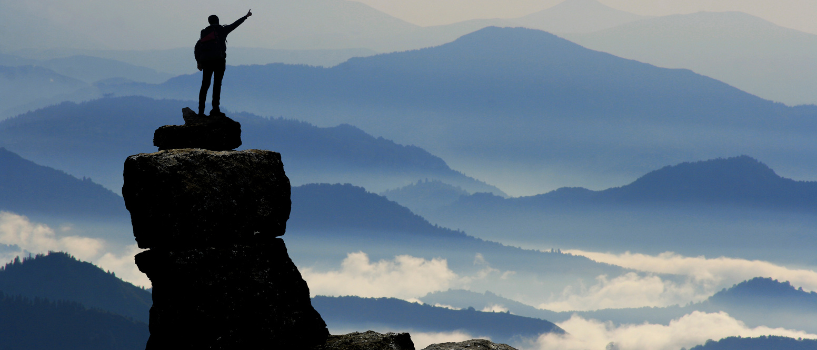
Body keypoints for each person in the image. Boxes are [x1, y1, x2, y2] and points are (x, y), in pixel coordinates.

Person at [195, 10, 252, 116]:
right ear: (218, 21)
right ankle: (215, 109)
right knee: (217, 85)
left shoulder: (204, 32)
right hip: (219, 61)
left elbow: (197, 47)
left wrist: (199, 61)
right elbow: (235, 25)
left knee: (205, 85)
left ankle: (201, 111)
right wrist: (246, 16)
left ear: (209, 22)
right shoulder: (222, 30)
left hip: (206, 62)